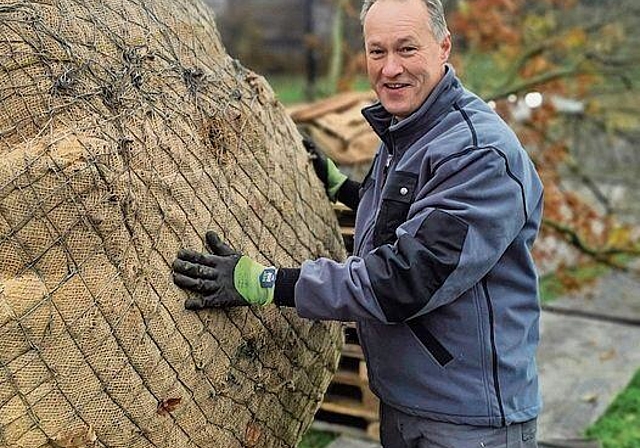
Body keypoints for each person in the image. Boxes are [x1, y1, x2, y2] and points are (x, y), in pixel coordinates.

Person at [172, 0, 544, 446]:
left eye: (407, 49)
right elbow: (408, 216)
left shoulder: (478, 153)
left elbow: (407, 278)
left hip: (467, 420)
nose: (390, 69)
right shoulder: (410, 127)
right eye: (377, 51)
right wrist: (344, 188)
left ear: (443, 47)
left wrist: (267, 282)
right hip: (406, 399)